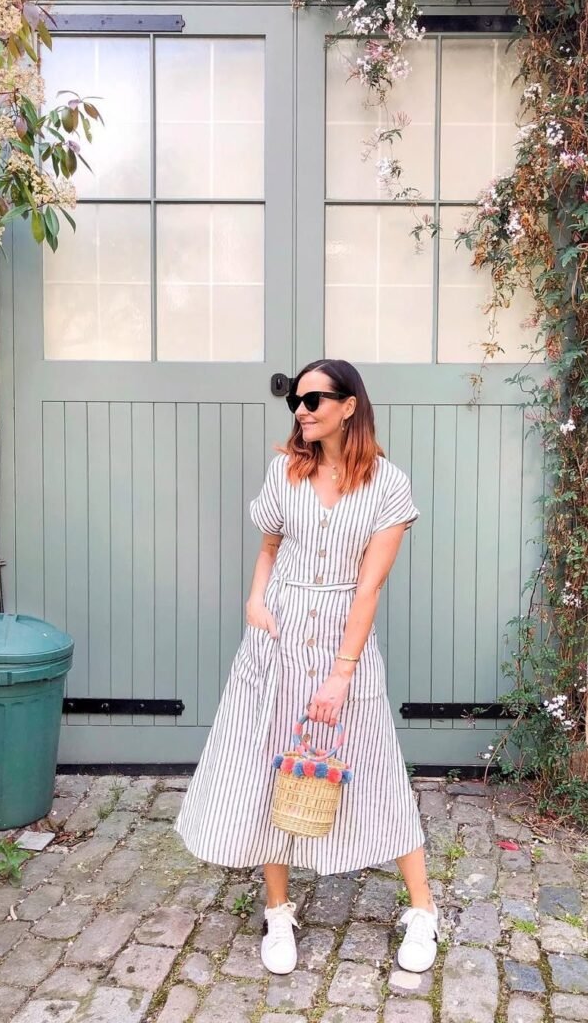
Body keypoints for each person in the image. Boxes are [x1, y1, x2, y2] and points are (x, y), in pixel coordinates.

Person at [174, 358, 439, 975]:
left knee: (373, 765)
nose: (302, 409)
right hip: (277, 638)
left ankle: (423, 909)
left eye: (315, 399)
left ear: (350, 405)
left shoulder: (388, 485)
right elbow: (269, 547)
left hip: (343, 639)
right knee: (272, 764)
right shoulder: (284, 472)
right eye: (297, 398)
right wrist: (253, 599)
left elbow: (369, 589)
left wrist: (342, 672)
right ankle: (278, 910)